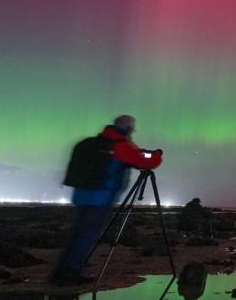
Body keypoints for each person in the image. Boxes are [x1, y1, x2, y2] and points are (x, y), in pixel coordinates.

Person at [53, 115, 163, 284]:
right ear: (127, 128)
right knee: (86, 236)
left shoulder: (94, 143)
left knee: (78, 234)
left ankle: (62, 271)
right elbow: (143, 163)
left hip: (82, 196)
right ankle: (69, 274)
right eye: (132, 127)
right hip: (101, 198)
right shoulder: (120, 145)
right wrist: (156, 156)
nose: (133, 130)